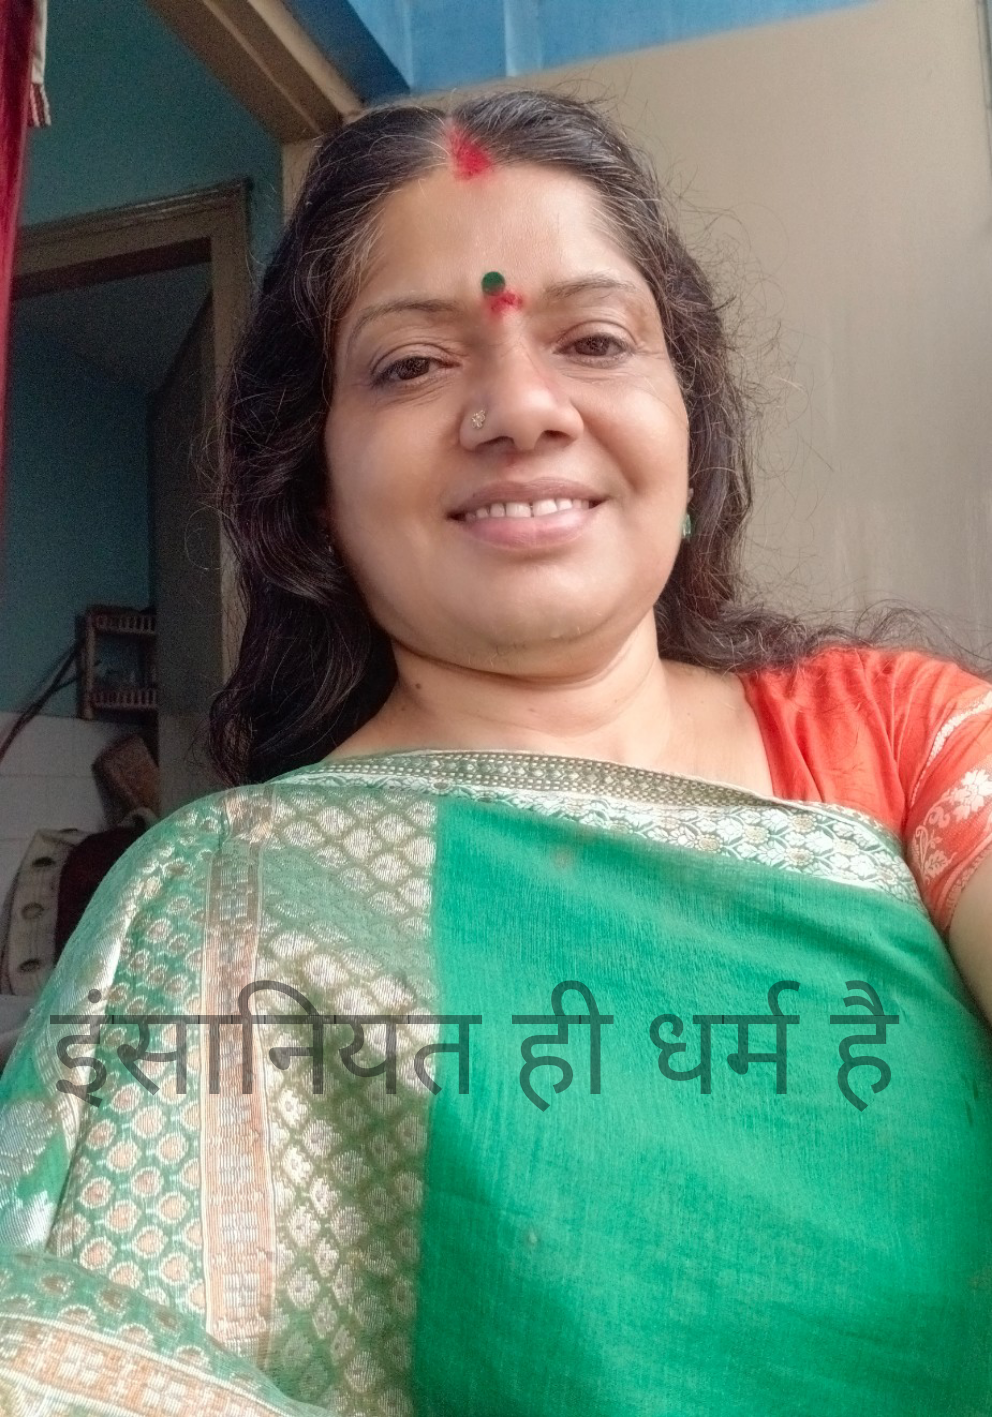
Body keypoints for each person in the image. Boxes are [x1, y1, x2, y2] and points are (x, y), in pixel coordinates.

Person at [1, 89, 991, 1416]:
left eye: (595, 340)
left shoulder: (901, 742)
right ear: (313, 479)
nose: (521, 407)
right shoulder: (223, 909)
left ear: (688, 427)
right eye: (411, 364)